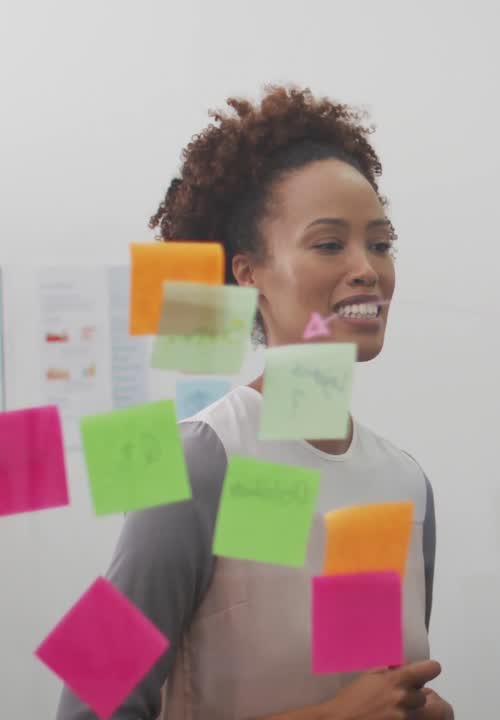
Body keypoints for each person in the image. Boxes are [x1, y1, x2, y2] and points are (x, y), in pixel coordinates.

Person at [56, 86, 453, 720]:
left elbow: (357, 684)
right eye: (329, 244)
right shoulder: (195, 462)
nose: (368, 269)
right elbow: (84, 707)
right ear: (249, 273)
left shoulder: (404, 483)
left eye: (380, 243)